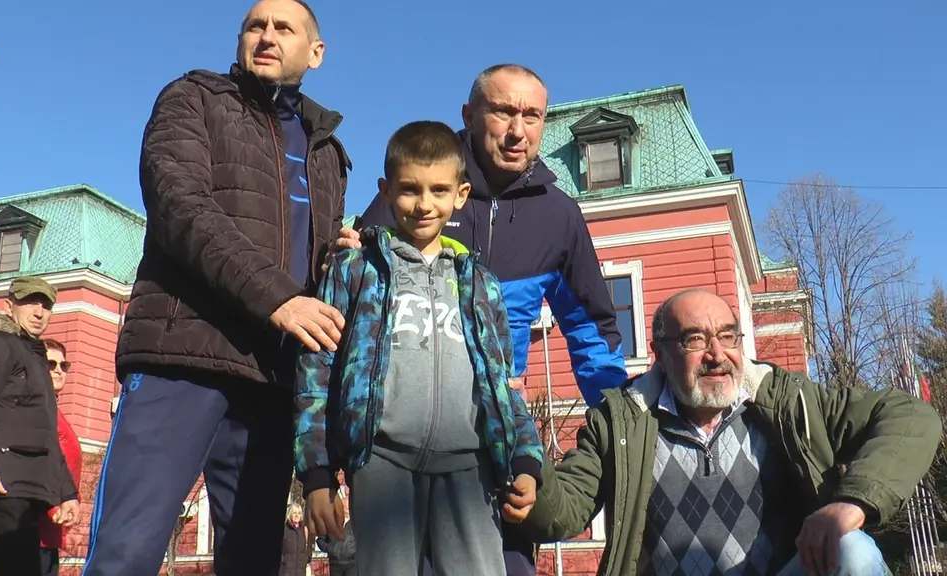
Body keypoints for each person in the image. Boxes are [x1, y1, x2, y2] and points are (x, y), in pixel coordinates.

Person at [81, 1, 351, 574]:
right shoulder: (194, 99)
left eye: (284, 28)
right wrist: (278, 298)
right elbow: (180, 206)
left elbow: (312, 271)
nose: (267, 36)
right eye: (256, 25)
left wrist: (339, 256)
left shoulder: (328, 151)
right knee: (126, 550)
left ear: (316, 53)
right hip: (182, 358)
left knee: (257, 559)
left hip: (273, 378)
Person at [336, 63, 626, 575]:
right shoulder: (423, 183)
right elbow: (356, 302)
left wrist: (621, 422)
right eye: (503, 112)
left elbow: (591, 331)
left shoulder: (559, 216)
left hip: (491, 439)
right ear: (469, 115)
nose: (518, 130)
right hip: (394, 449)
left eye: (532, 116)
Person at [511, 288, 942, 576]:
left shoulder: (789, 403)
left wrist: (849, 505)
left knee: (854, 551)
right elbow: (563, 511)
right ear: (661, 354)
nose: (717, 354)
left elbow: (910, 417)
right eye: (695, 339)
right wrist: (527, 466)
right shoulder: (621, 422)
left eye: (728, 336)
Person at [295, 120, 543, 576]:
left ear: (460, 195)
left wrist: (525, 458)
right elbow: (317, 371)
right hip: (381, 464)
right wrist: (317, 474)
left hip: (470, 469)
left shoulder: (480, 284)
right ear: (386, 191)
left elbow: (502, 383)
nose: (424, 204)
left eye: (438, 190)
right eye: (410, 189)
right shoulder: (356, 270)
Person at [0, 277, 80, 576]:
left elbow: (46, 433)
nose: (39, 312)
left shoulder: (32, 354)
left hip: (30, 491)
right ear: (9, 306)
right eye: (30, 303)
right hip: (3, 487)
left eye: (46, 306)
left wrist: (67, 492)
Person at [39, 339, 83, 576]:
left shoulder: (53, 411)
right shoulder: (32, 410)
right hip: (33, 524)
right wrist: (52, 507)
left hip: (50, 530)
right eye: (51, 364)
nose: (58, 370)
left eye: (63, 365)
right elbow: (32, 462)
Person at [280, 504, 312, 576]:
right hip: (286, 571)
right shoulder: (285, 529)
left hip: (300, 571)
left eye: (299, 513)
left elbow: (308, 548)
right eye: (294, 513)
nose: (297, 515)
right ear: (290, 514)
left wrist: (305, 561)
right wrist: (283, 562)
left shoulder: (304, 530)